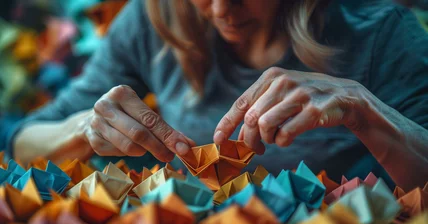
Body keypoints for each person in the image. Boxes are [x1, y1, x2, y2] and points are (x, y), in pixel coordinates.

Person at [6, 0, 428, 191]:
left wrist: (362, 108)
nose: (223, 8)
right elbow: (23, 144)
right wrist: (83, 128)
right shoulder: (154, 14)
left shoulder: (381, 30)